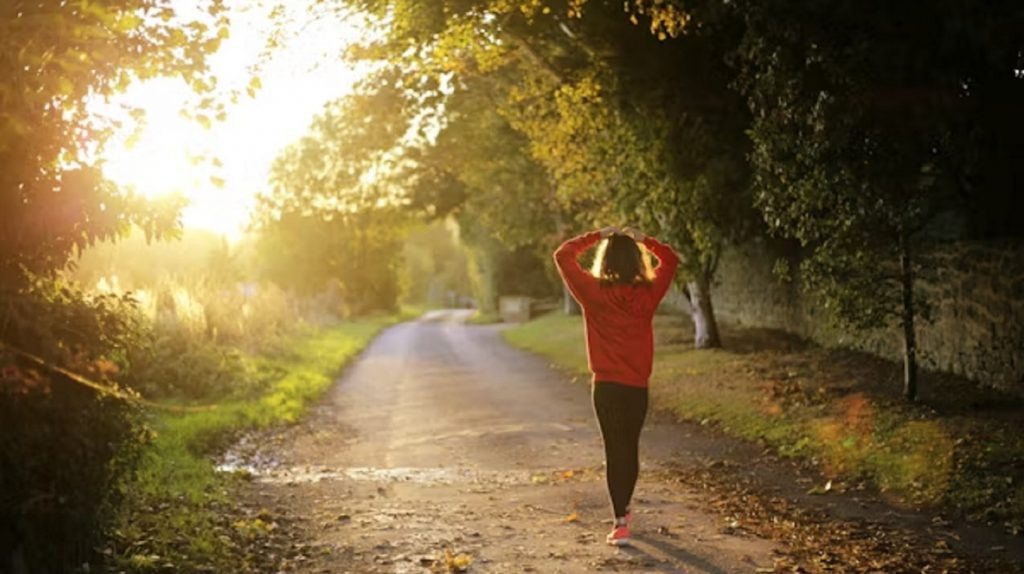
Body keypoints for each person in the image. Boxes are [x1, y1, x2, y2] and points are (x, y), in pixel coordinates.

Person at [553, 225, 680, 547]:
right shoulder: (648, 294)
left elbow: (563, 255)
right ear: (637, 261)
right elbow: (670, 259)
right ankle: (624, 510)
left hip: (606, 386)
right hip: (636, 386)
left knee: (615, 450)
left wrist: (597, 235)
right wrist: (645, 239)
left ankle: (620, 521)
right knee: (629, 447)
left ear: (605, 259)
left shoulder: (592, 292)